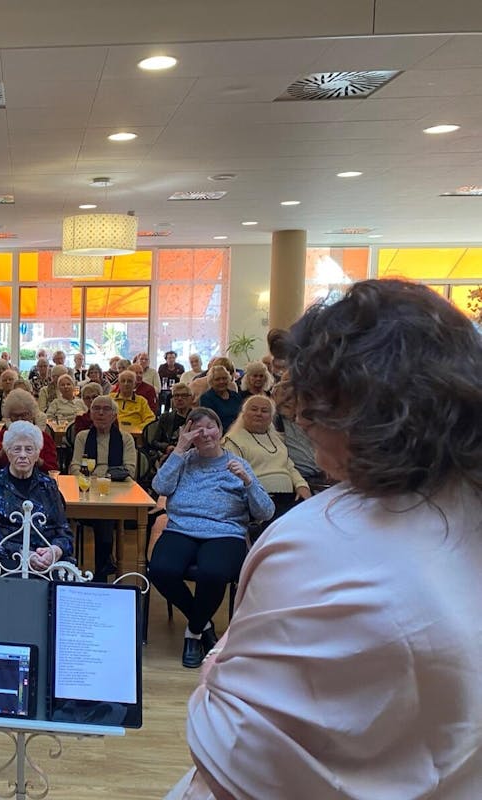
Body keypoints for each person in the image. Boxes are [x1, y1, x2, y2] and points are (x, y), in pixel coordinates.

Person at [178, 279, 482, 799]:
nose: (299, 417)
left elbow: (235, 751)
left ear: (361, 406)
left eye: (312, 402)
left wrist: (215, 668)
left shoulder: (317, 542)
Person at [148, 407, 274, 668]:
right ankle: (204, 624)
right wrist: (179, 449)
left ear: (220, 430)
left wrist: (248, 482)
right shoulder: (182, 460)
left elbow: (265, 512)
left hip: (224, 531)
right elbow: (160, 487)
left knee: (213, 573)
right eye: (196, 429)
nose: (204, 434)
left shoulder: (237, 465)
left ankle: (193, 633)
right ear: (187, 433)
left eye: (210, 427)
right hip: (181, 528)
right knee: (160, 569)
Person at [0, 421, 73, 572]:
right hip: (4, 561)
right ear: (7, 453)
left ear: (37, 454)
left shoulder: (48, 485)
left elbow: (64, 532)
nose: (22, 455)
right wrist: (22, 552)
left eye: (29, 449)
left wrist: (55, 550)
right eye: (17, 449)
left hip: (46, 560)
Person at [69, 396, 137, 580]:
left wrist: (103, 478)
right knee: (101, 516)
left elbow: (130, 470)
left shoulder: (125, 438)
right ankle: (100, 567)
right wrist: (89, 480)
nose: (100, 413)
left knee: (105, 515)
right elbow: (74, 467)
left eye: (106, 409)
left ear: (114, 415)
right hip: (86, 490)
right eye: (96, 409)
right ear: (90, 414)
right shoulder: (83, 437)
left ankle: (101, 571)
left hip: (114, 490)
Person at [222, 395, 311, 526]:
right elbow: (234, 476)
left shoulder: (277, 439)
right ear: (243, 414)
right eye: (254, 409)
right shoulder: (232, 440)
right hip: (261, 501)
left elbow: (289, 467)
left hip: (290, 497)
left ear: (271, 417)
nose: (259, 414)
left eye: (264, 411)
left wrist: (302, 485)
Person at [0, 389, 58, 473]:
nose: (20, 419)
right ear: (9, 416)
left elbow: (53, 471)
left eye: (24, 415)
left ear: (32, 414)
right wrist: (1, 453)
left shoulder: (44, 438)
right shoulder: (1, 437)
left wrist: (36, 459)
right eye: (15, 416)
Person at [271, 382, 326, 491]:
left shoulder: (309, 420)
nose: (286, 402)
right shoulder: (275, 421)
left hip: (321, 474)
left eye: (290, 398)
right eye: (283, 398)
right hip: (298, 478)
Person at [151, 382, 194, 464]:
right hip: (168, 455)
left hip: (190, 457)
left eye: (184, 395)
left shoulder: (197, 418)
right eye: (176, 396)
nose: (179, 398)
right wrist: (167, 447)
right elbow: (154, 442)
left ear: (191, 398)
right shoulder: (165, 417)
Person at [198, 365, 242, 433]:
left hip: (238, 432)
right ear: (211, 381)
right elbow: (210, 423)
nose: (221, 381)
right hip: (219, 434)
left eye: (224, 378)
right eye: (217, 379)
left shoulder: (236, 396)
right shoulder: (206, 398)